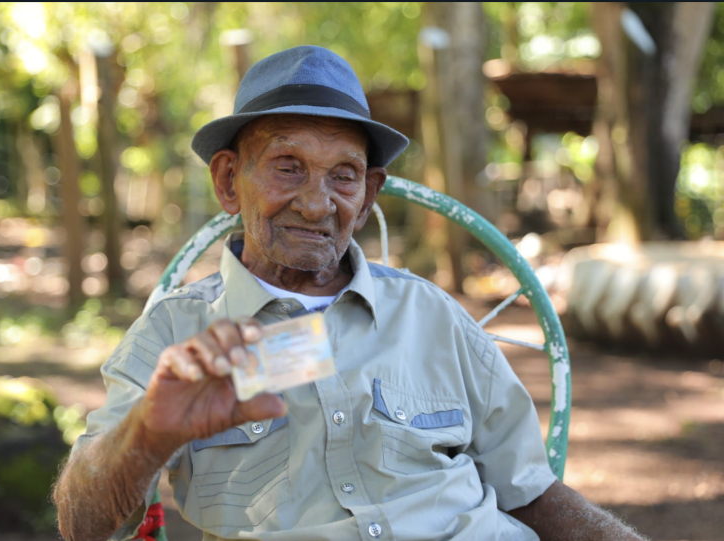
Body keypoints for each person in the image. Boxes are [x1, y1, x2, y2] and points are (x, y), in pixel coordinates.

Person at [53, 46, 647, 541]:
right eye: (288, 166)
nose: (318, 203)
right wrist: (149, 435)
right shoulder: (176, 337)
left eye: (343, 176)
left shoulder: (431, 315)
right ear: (230, 180)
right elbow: (83, 524)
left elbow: (533, 495)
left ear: (367, 195)